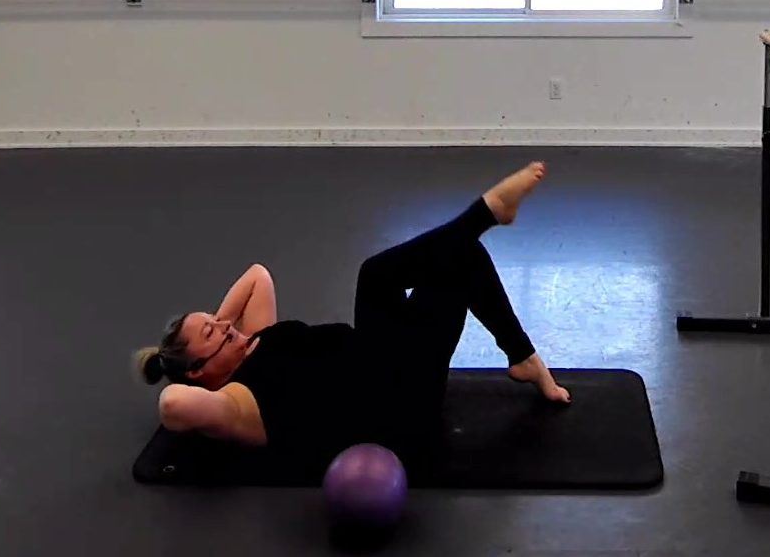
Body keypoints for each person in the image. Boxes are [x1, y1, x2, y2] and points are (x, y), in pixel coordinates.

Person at [135, 162, 571, 469]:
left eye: (217, 320)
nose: (225, 325)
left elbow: (257, 276)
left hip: (386, 351)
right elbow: (173, 404)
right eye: (212, 333)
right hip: (399, 401)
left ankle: (522, 357)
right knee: (404, 268)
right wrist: (194, 364)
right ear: (198, 371)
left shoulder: (254, 340)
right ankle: (485, 213)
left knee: (440, 261)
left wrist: (215, 329)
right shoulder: (236, 404)